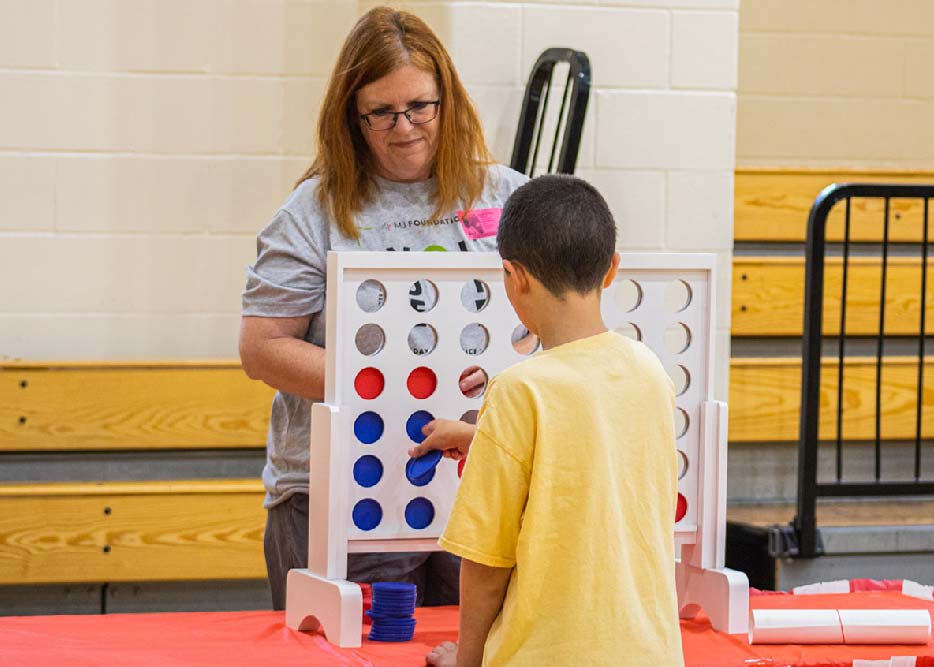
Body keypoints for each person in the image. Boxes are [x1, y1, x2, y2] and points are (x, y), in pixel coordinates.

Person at [238, 6, 527, 610]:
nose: (405, 127)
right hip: (340, 488)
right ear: (352, 116)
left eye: (421, 106)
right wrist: (390, 385)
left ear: (449, 99)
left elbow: (550, 327)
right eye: (382, 113)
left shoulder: (506, 196)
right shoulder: (312, 212)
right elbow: (263, 349)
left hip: (472, 484)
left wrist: (504, 372)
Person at [411, 175, 685, 666]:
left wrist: (468, 660)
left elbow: (487, 561)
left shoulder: (519, 389)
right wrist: (484, 437)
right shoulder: (650, 372)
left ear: (514, 276)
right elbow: (594, 459)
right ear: (611, 270)